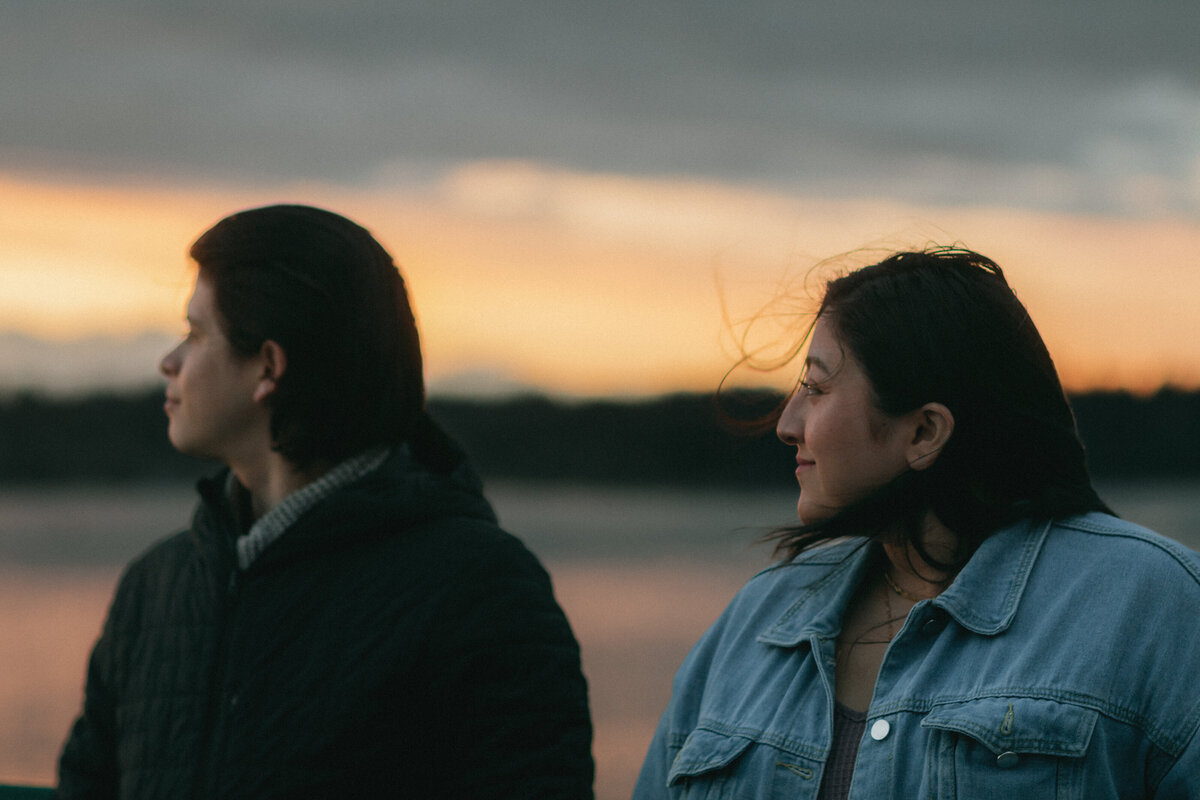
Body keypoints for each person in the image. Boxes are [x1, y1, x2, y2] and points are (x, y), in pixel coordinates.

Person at [58, 204, 594, 799]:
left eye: (195, 332)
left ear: (267, 366)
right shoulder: (154, 590)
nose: (169, 362)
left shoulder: (483, 592)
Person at [634, 248, 1200, 798]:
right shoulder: (756, 620)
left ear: (925, 433)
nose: (788, 422)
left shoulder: (1155, 606)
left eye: (817, 387)